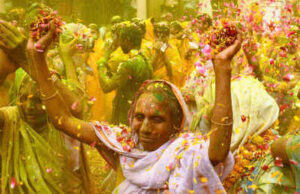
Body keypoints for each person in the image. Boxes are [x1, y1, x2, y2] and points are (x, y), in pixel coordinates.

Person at [25, 20, 243, 193]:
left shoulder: (184, 150)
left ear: (176, 124)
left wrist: (222, 69)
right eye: (140, 117)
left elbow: (216, 153)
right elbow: (62, 121)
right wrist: (38, 59)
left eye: (157, 119)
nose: (145, 128)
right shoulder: (123, 144)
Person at [0, 70, 91, 193]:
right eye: (23, 98)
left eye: (38, 100)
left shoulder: (63, 125)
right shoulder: (10, 119)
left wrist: (48, 77)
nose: (29, 106)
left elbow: (77, 108)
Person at [97, 22, 153, 125]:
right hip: (141, 110)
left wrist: (102, 62)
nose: (119, 44)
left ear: (126, 41)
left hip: (127, 114)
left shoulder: (128, 64)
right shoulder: (145, 59)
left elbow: (106, 86)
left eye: (121, 40)